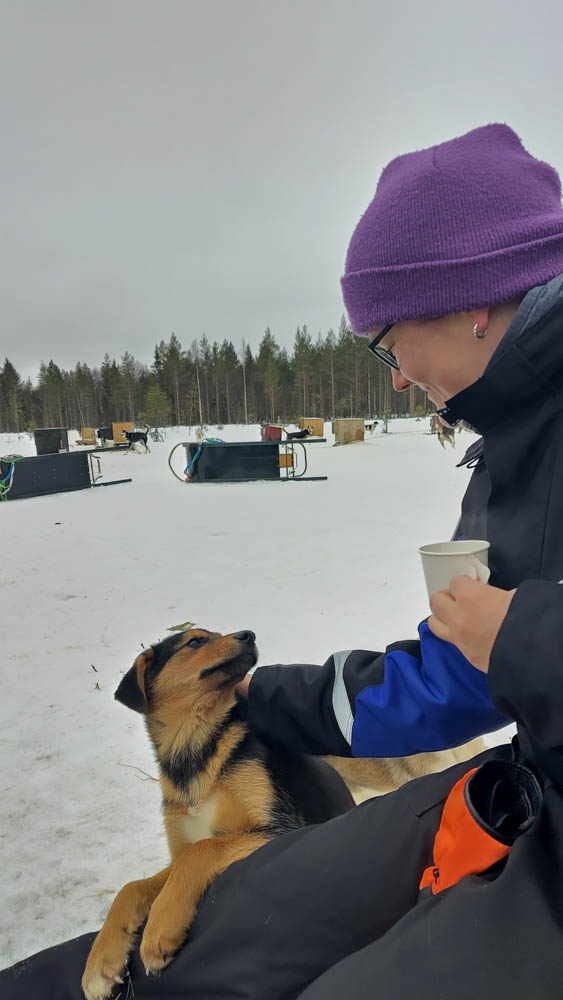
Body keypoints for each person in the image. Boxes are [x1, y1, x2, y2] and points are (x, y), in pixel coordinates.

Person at [4, 122, 563, 999]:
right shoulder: (509, 444)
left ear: (470, 300)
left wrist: (527, 637)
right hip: (522, 791)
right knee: (177, 953)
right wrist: (262, 697)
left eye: (384, 341)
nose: (392, 378)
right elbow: (454, 683)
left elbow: (509, 650)